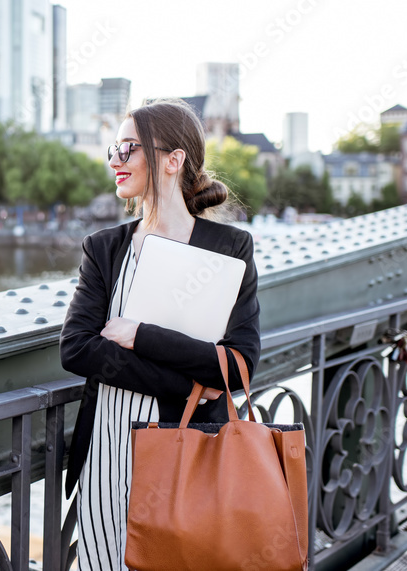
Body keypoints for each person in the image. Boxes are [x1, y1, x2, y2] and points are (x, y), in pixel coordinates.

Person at [59, 98, 261, 570]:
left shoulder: (229, 248)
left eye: (128, 149)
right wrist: (190, 382)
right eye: (114, 148)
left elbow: (238, 365)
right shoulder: (104, 248)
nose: (115, 161)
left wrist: (140, 334)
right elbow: (77, 348)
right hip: (107, 450)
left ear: (173, 160)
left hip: (188, 449)